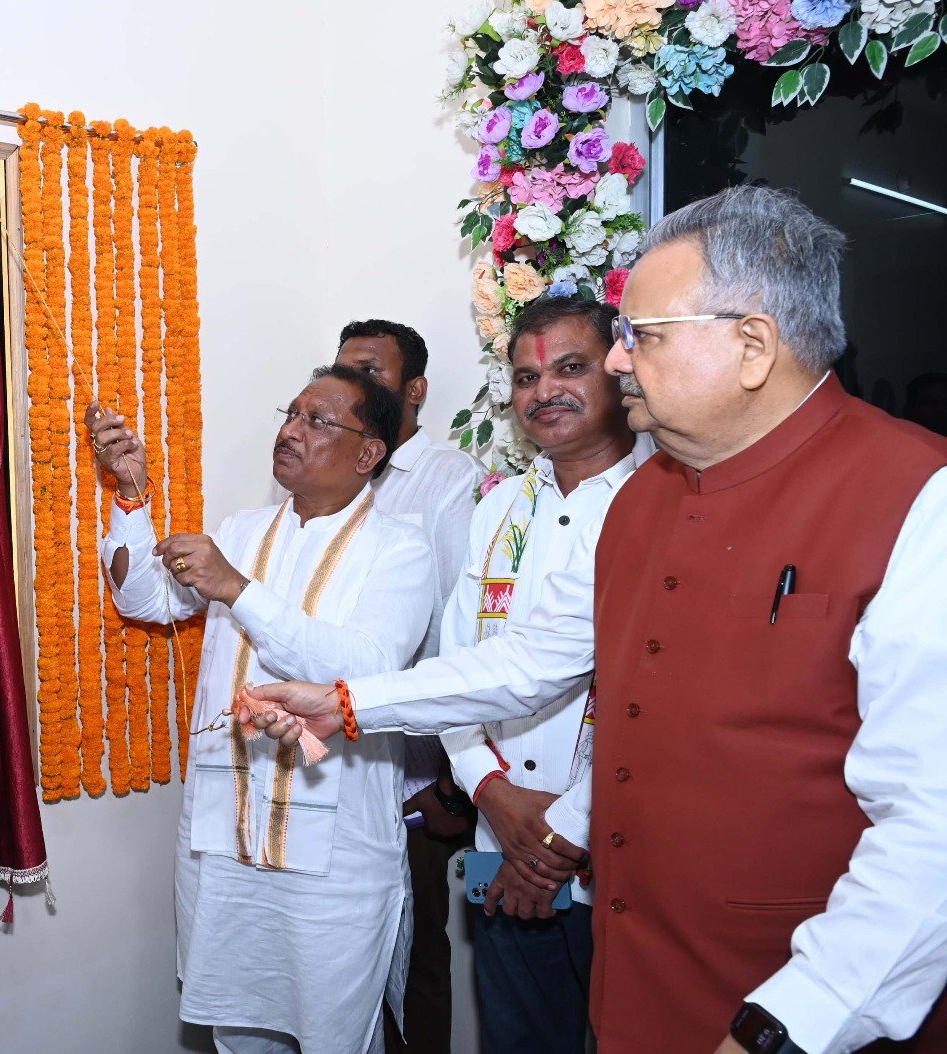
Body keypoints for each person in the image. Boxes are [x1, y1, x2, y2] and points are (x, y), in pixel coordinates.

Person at [245, 185, 947, 1053]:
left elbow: (930, 835)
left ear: (753, 345)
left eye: (642, 336)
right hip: (636, 969)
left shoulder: (916, 497)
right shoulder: (644, 500)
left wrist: (787, 1026)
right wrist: (345, 703)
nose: (617, 362)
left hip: (795, 995)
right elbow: (532, 661)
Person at [87, 364, 436, 1054]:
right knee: (240, 1030)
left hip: (335, 855)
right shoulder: (243, 531)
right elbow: (146, 601)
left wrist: (238, 590)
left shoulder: (401, 548)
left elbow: (365, 668)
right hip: (228, 838)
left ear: (369, 453)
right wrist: (131, 493)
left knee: (337, 1032)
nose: (292, 431)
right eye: (292, 413)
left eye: (318, 420)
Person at [438, 295, 642, 1053]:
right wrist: (492, 795)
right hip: (500, 840)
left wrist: (558, 835)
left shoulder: (658, 502)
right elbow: (457, 670)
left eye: (570, 368)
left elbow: (655, 700)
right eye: (526, 377)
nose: (545, 391)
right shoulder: (499, 511)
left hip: (613, 857)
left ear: (619, 370)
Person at [336, 319, 483, 1054]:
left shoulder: (447, 478)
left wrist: (445, 781)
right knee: (344, 958)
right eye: (344, 369)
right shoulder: (335, 472)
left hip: (415, 774)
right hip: (337, 760)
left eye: (371, 370)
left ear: (415, 389)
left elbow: (461, 629)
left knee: (415, 956)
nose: (354, 384)